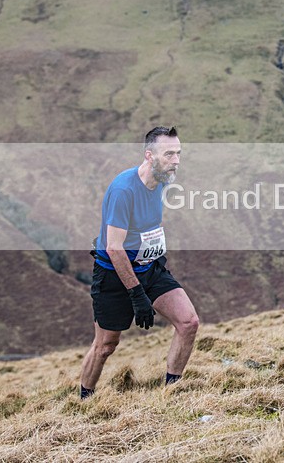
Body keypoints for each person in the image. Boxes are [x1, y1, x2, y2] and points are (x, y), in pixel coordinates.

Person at [79, 126, 199, 398]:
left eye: (178, 153)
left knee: (188, 323)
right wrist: (136, 294)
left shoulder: (162, 181)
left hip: (150, 266)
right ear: (149, 155)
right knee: (106, 345)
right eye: (169, 154)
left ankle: (172, 393)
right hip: (114, 273)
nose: (176, 161)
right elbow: (114, 248)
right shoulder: (124, 190)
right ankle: (84, 400)